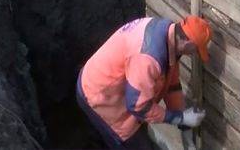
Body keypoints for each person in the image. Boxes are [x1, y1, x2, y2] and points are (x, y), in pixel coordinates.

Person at [77, 15, 212, 149]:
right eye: (195, 50)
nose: (194, 54)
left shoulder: (168, 36)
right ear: (187, 42)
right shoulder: (148, 57)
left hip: (120, 92)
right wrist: (180, 118)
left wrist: (185, 130)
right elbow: (138, 107)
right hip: (99, 96)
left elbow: (172, 86)